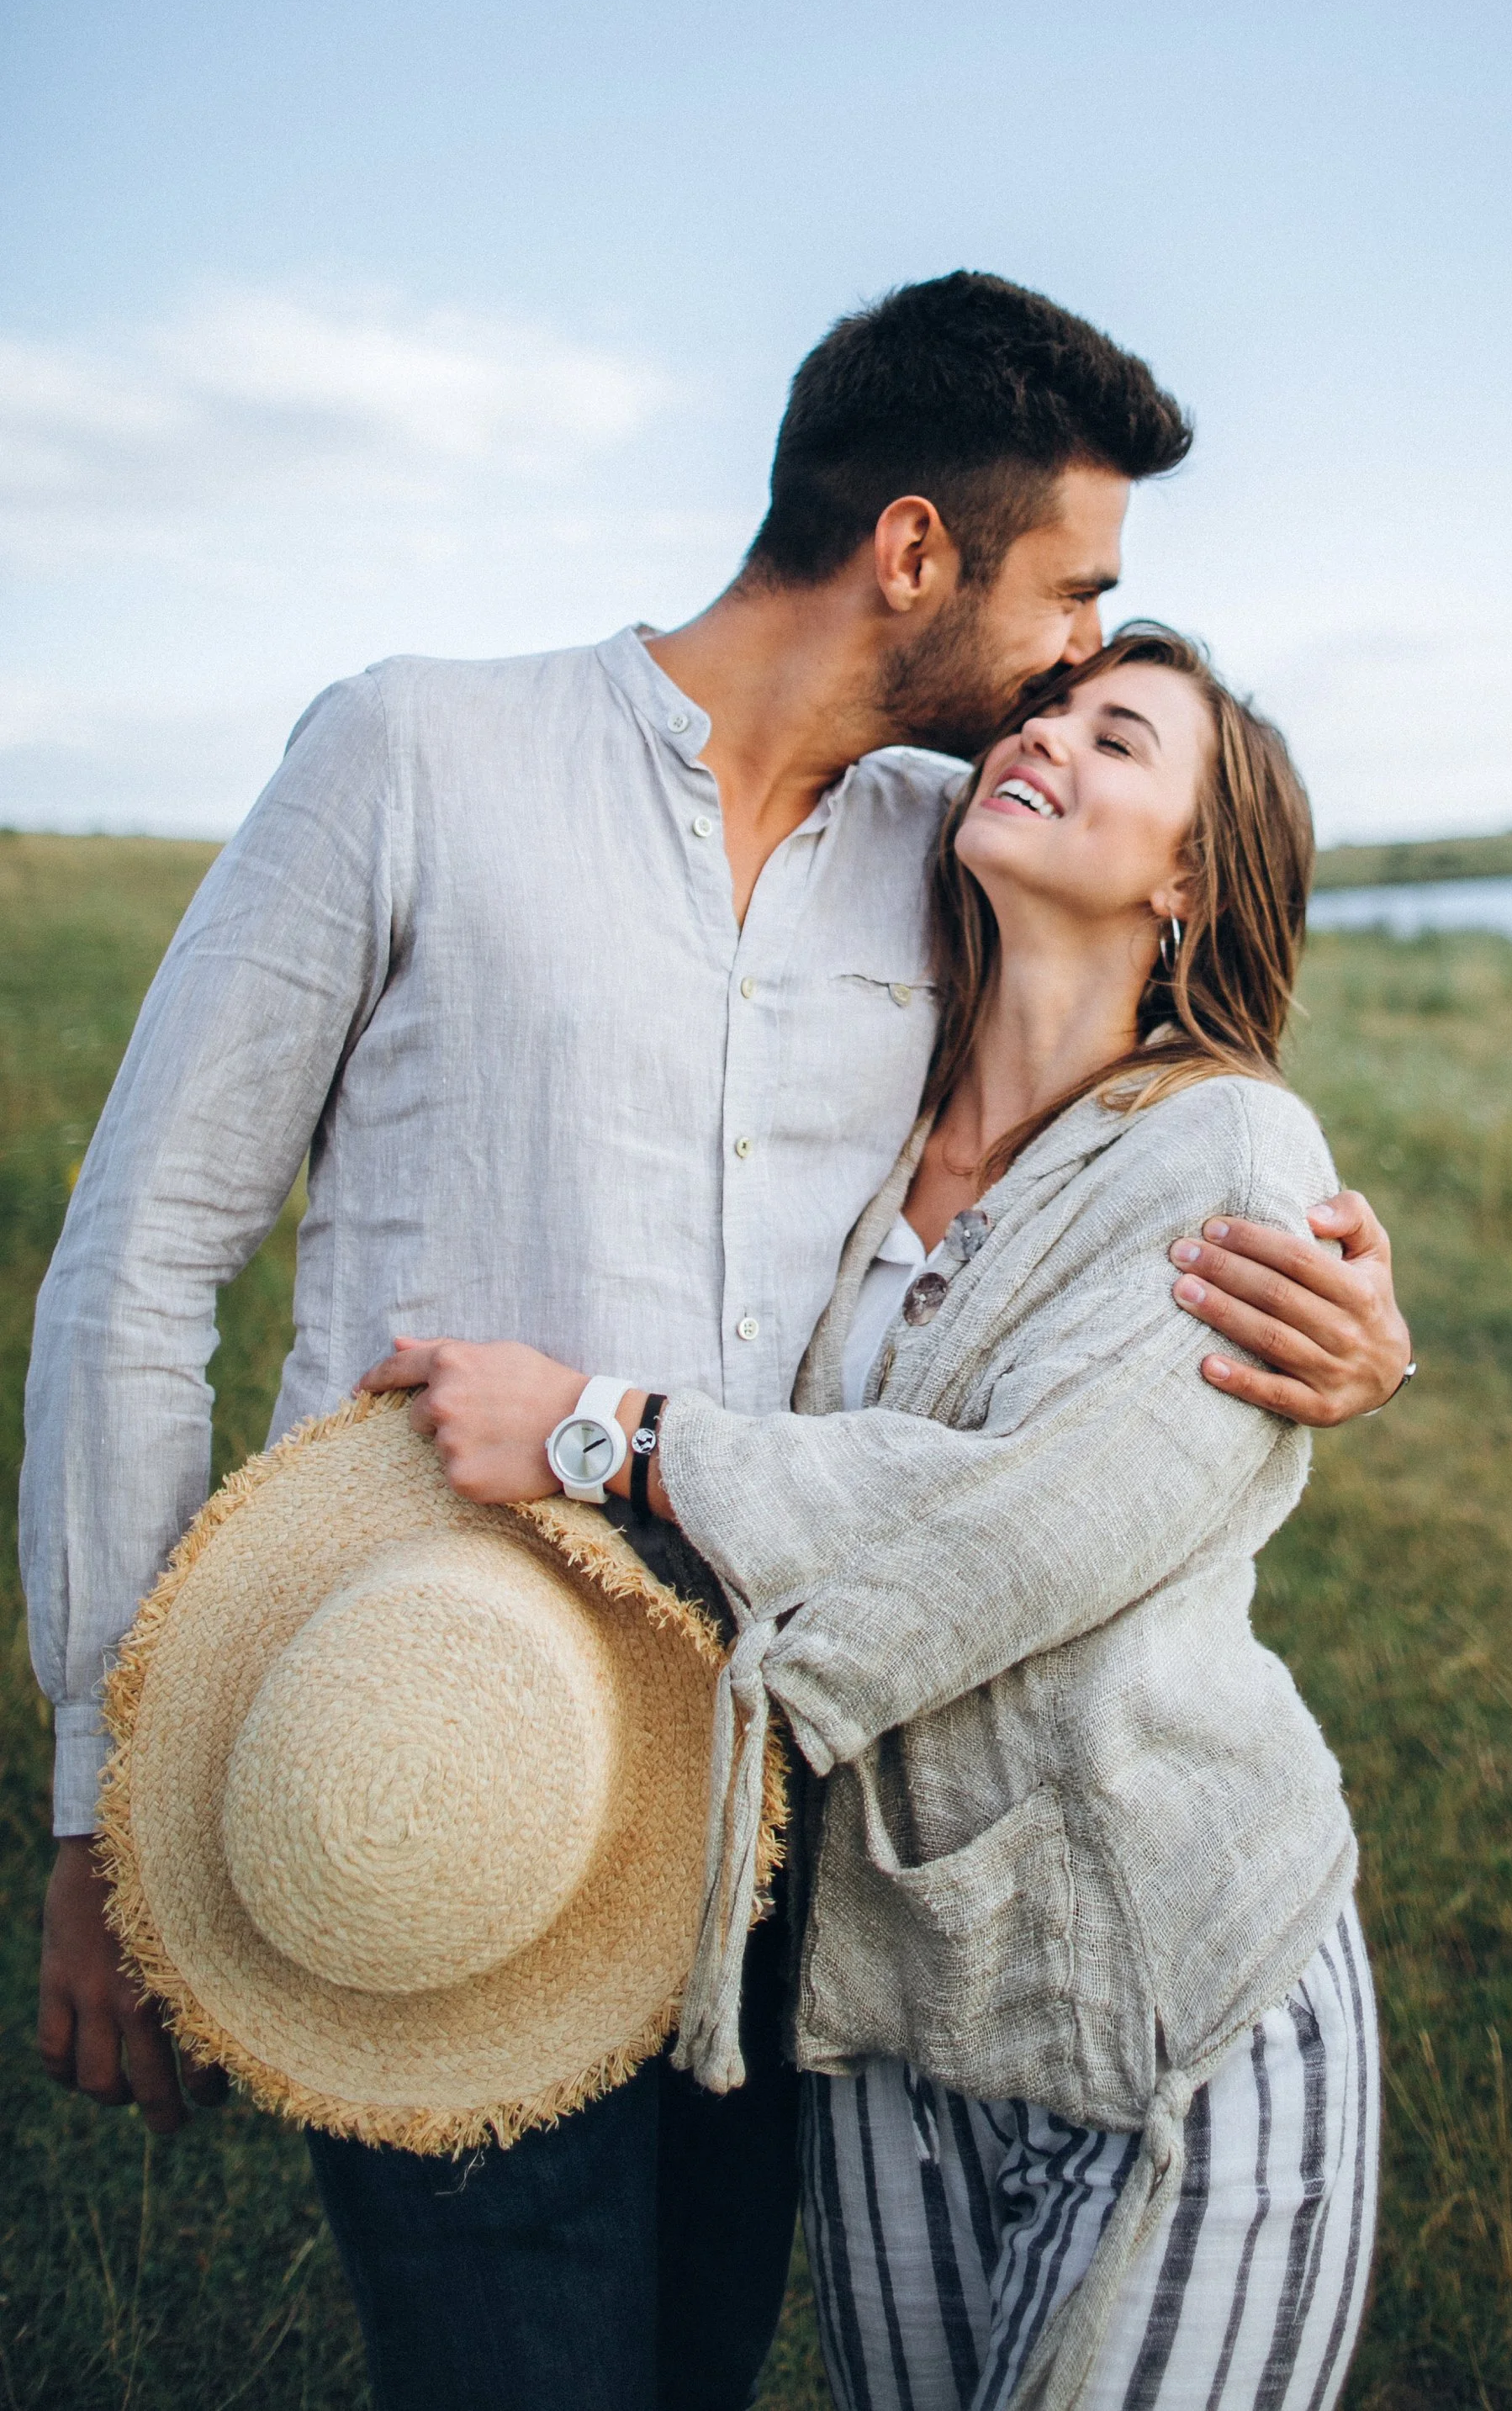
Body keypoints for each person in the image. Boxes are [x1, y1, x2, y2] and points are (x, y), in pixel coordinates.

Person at [22, 273, 1412, 2411]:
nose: (1076, 661)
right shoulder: (414, 750)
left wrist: (1335, 1314)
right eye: (1076, 593)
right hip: (425, 1769)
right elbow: (136, 1263)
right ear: (916, 552)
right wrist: (103, 1793)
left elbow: (1107, 1158)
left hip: (785, 1835)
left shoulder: (934, 862)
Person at [372, 623, 1390, 2411]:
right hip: (882, 2015)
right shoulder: (872, 1142)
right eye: (1049, 710)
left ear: (1187, 878)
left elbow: (1013, 1523)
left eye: (1119, 738)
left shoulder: (1228, 1157)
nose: (1052, 739)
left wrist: (613, 1434)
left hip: (1166, 1991)